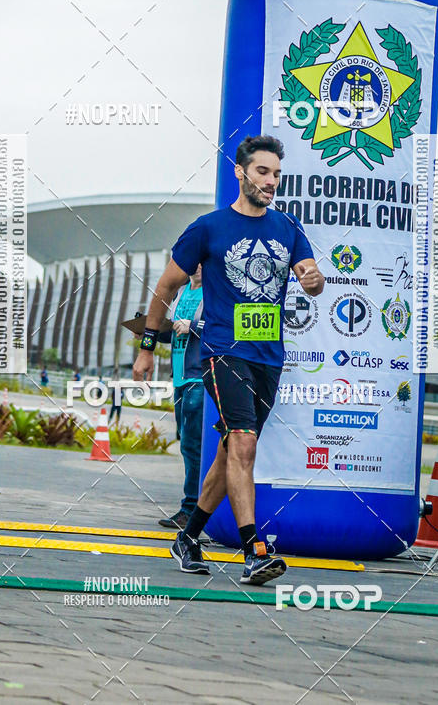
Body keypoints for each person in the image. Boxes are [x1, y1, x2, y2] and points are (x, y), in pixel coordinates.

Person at [134, 135, 324, 585]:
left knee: (230, 449)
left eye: (277, 174)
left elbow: (310, 282)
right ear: (240, 172)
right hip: (223, 352)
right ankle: (254, 551)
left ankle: (188, 536)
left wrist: (314, 281)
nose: (271, 181)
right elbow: (166, 286)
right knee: (243, 444)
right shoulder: (209, 228)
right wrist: (147, 345)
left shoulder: (288, 228)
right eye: (262, 172)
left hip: (269, 358)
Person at [155, 266, 204, 531]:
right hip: (180, 378)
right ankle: (192, 507)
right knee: (185, 442)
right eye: (193, 261)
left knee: (193, 445)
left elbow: (225, 326)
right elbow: (173, 330)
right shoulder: (182, 292)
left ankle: (191, 509)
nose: (196, 266)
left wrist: (194, 325)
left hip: (199, 378)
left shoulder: (214, 292)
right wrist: (148, 330)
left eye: (201, 261)